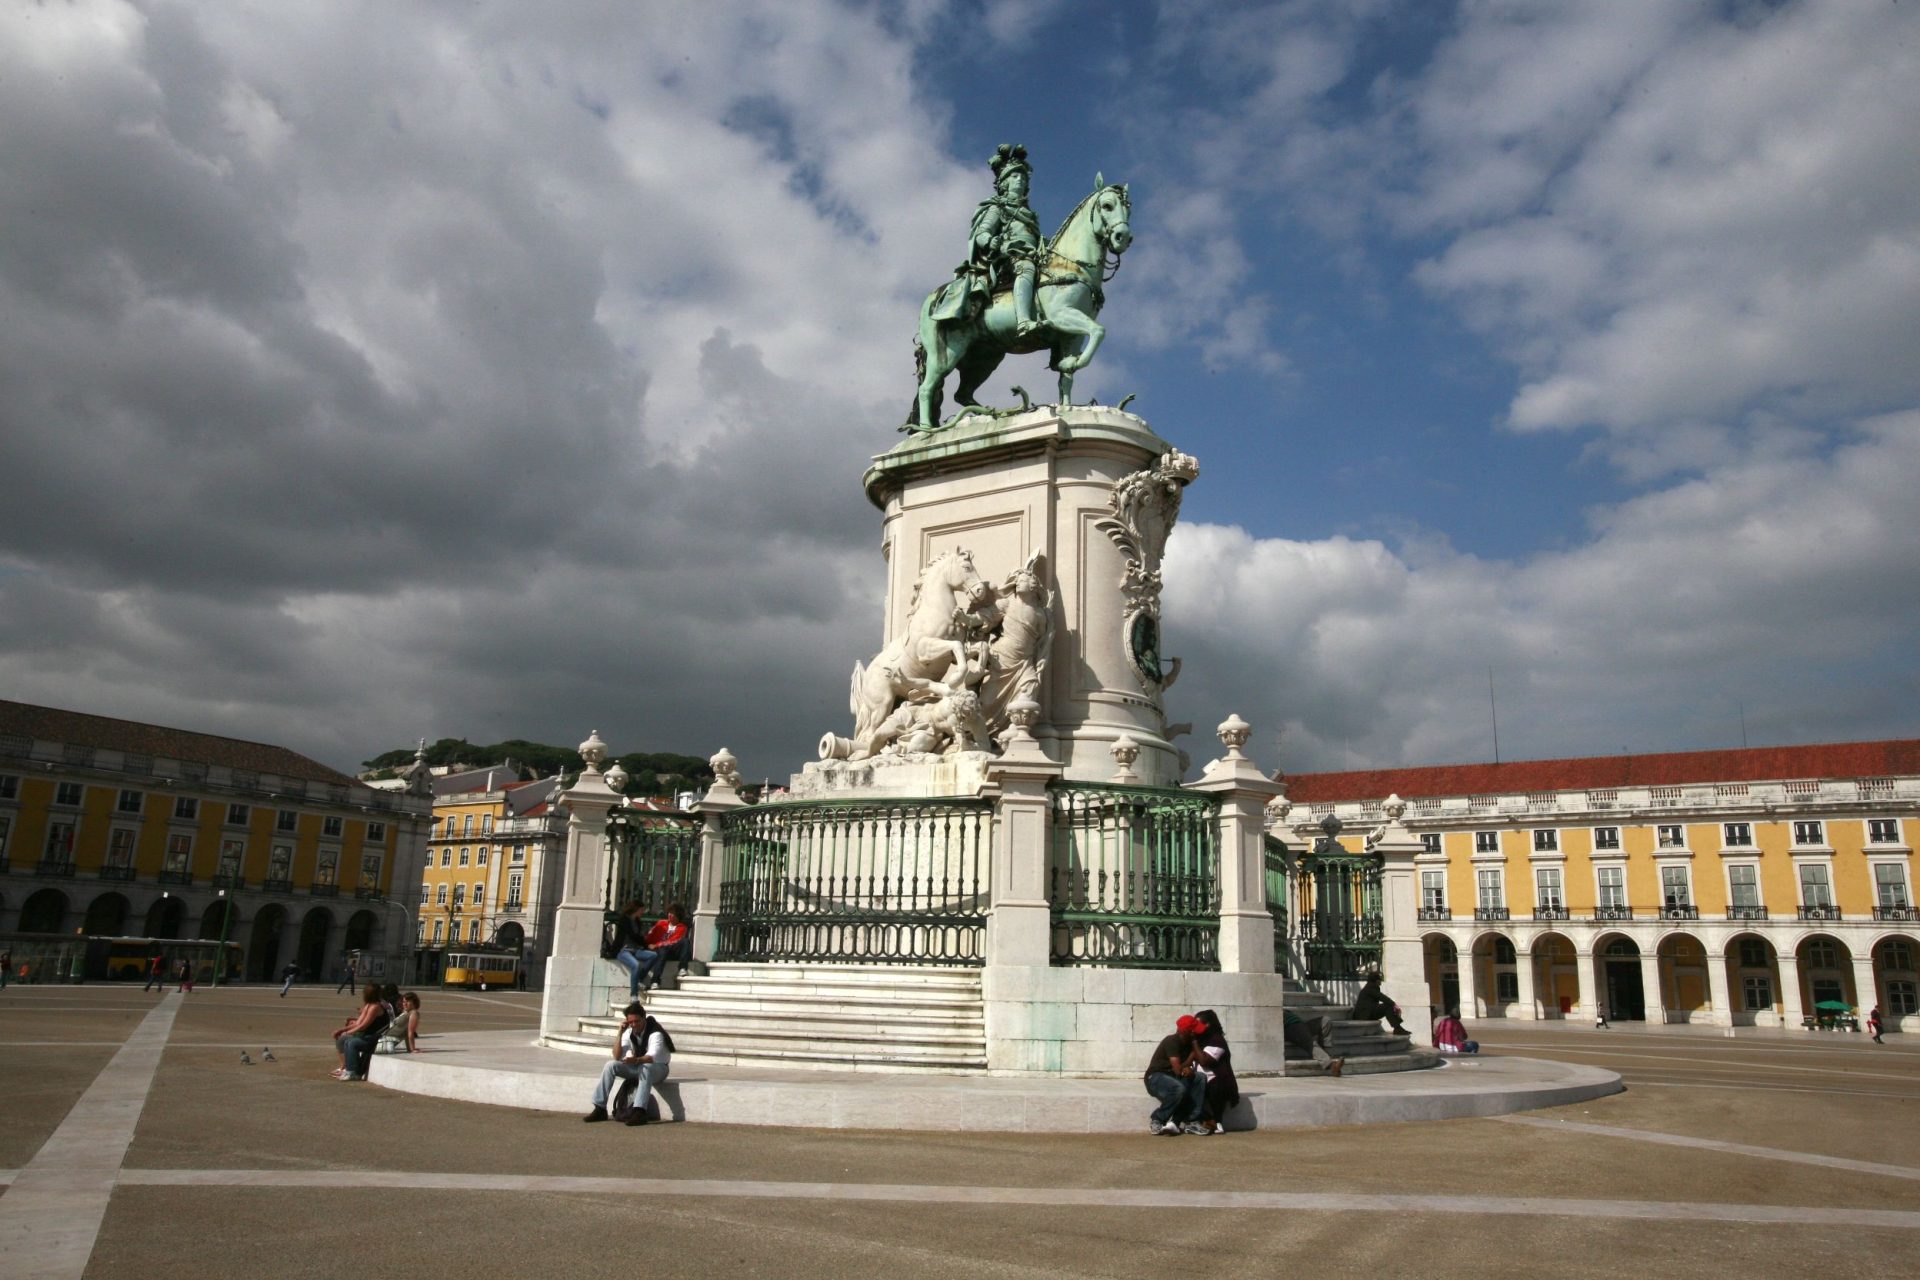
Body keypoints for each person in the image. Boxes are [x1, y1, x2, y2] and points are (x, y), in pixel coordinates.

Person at [946, 143, 1043, 338]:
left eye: (1023, 178)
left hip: (1033, 254)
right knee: (1026, 268)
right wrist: (991, 242)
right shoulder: (997, 208)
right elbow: (982, 233)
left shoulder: (1029, 215)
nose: (1020, 181)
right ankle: (1024, 321)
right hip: (1006, 257)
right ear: (1004, 183)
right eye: (1015, 177)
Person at [583, 1001, 673, 1125]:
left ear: (644, 1018)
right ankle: (600, 1108)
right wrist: (620, 1032)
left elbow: (651, 1057)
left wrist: (635, 1060)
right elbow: (617, 1056)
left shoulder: (655, 1033)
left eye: (637, 1021)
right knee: (610, 1066)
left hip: (659, 1069)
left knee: (646, 1068)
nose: (634, 1025)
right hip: (639, 1067)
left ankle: (639, 1111)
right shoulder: (629, 1032)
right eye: (631, 1022)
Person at [1142, 1014, 1207, 1136]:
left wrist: (1193, 1052)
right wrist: (1188, 1064)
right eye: (1194, 1031)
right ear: (1187, 1032)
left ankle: (1192, 1122)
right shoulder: (1171, 1041)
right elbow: (1178, 1070)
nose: (1196, 1034)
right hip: (1156, 1077)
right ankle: (1158, 1119)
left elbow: (1186, 1068)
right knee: (1179, 1089)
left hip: (1174, 1078)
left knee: (1200, 1078)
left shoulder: (1190, 1043)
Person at [1191, 1009, 1240, 1134]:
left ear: (1207, 1024)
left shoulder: (1217, 1040)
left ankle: (1217, 1121)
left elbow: (1204, 1061)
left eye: (1198, 1024)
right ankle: (1207, 1119)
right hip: (1197, 1079)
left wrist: (1194, 1043)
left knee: (1216, 1088)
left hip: (1216, 1080)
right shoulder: (1199, 1038)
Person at [332, 983, 391, 1081]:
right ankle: (345, 1067)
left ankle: (353, 1072)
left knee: (351, 1043)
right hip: (366, 1035)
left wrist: (348, 1032)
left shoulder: (376, 1007)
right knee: (341, 1039)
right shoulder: (368, 1005)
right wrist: (341, 1030)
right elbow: (358, 1023)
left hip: (374, 1038)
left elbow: (363, 1025)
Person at [634, 903, 692, 992]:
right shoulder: (661, 923)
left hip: (672, 951)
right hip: (660, 951)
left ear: (678, 916)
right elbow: (651, 935)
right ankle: (655, 981)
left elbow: (674, 940)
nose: (669, 915)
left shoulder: (682, 927)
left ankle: (683, 968)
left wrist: (657, 945)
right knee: (663, 951)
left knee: (685, 941)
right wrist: (646, 945)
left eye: (672, 914)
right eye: (669, 913)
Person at [605, 900, 650, 1000]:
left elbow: (638, 936)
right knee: (636, 965)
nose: (643, 912)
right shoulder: (625, 920)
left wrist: (646, 946)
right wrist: (646, 945)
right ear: (636, 909)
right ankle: (634, 995)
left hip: (635, 950)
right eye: (642, 909)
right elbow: (633, 936)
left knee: (653, 956)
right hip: (624, 950)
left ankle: (639, 979)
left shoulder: (637, 921)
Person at [1283, 1008, 1346, 1077]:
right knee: (1309, 1041)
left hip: (1303, 1025)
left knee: (1326, 1020)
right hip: (1292, 1029)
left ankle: (1326, 1052)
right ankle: (1332, 1066)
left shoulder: (1285, 1010)